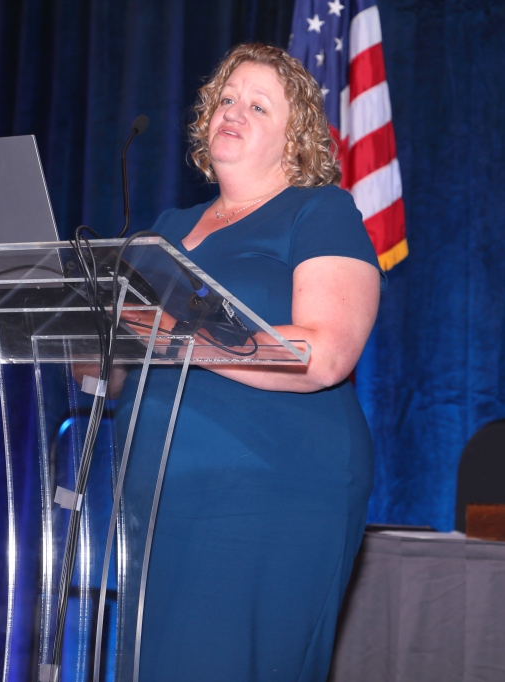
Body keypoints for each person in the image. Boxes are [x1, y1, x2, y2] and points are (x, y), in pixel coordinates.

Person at [116, 42, 381, 681]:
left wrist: (175, 337)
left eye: (259, 106)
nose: (233, 111)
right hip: (156, 499)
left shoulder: (319, 211)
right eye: (226, 99)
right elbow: (112, 368)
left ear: (296, 141)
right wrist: (80, 333)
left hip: (269, 490)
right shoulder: (164, 228)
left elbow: (323, 353)